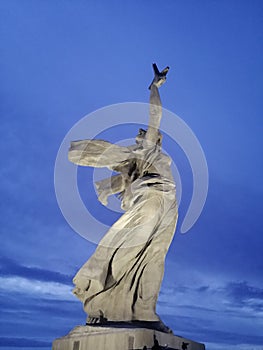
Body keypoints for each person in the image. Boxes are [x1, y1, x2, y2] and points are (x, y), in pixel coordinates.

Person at [68, 64, 178, 326]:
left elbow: (122, 180)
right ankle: (105, 303)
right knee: (130, 252)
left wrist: (110, 187)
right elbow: (156, 116)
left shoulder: (151, 157)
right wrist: (154, 88)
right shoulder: (145, 150)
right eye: (144, 135)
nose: (148, 136)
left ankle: (144, 311)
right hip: (152, 200)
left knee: (154, 257)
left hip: (169, 204)